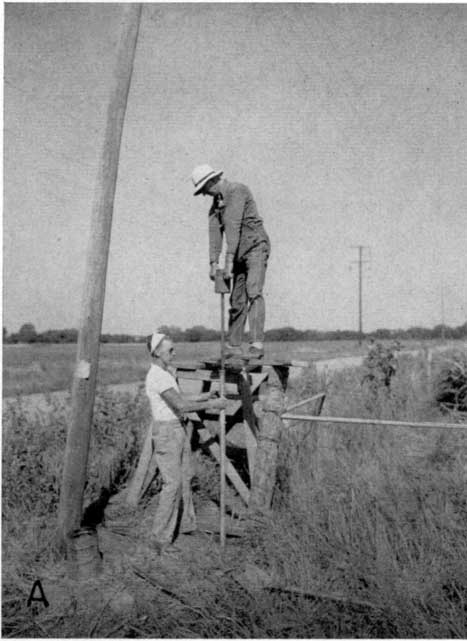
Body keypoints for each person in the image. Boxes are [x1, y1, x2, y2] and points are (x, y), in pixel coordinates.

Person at [145, 331, 226, 555]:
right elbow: (180, 406)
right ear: (157, 352)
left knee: (183, 478)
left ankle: (177, 528)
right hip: (168, 432)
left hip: (175, 429)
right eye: (170, 350)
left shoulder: (165, 373)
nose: (174, 352)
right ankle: (159, 539)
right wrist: (216, 404)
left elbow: (179, 399)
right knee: (172, 485)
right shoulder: (157, 376)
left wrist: (206, 397)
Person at [191, 164, 271, 359]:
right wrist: (212, 263)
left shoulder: (237, 190)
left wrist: (227, 262)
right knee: (237, 300)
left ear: (212, 181)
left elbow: (233, 226)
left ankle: (256, 344)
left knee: (253, 291)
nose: (205, 194)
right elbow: (214, 233)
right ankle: (233, 346)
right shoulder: (215, 205)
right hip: (238, 254)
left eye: (205, 190)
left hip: (255, 247)